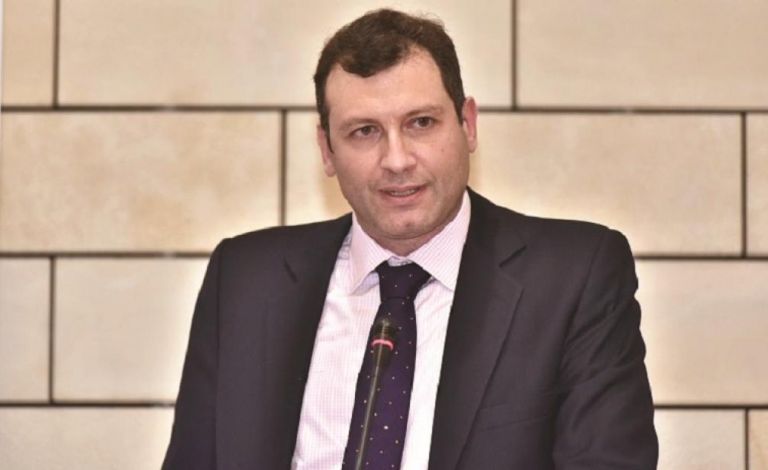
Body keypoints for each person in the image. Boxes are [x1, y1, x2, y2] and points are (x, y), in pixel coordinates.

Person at [163, 8, 657, 470]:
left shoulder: (572, 278)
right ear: (327, 150)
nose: (397, 160)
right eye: (364, 131)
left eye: (421, 123)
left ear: (467, 125)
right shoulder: (245, 279)